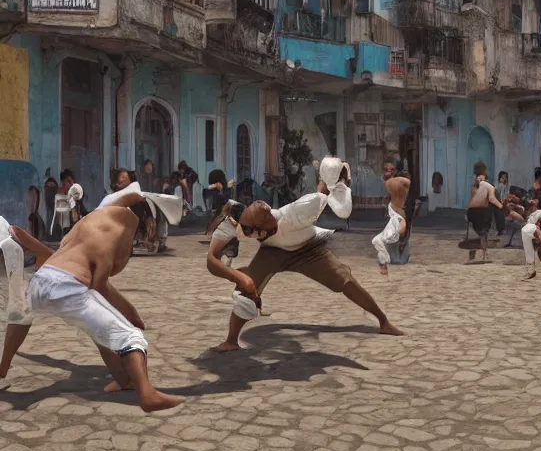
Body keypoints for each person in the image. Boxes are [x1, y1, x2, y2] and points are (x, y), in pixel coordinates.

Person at [205, 157, 403, 352]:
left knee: (345, 280)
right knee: (246, 290)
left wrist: (339, 174)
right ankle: (231, 340)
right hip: (273, 251)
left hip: (308, 248)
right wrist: (239, 277)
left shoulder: (295, 212)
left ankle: (383, 321)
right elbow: (211, 260)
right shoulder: (234, 223)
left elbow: (323, 194)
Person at [0, 204, 184, 412]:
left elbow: (42, 248)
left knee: (99, 330)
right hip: (67, 287)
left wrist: (126, 308)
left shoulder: (86, 224)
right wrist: (128, 312)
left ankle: (123, 381)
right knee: (131, 336)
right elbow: (99, 286)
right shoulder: (111, 235)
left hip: (40, 284)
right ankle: (147, 395)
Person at [372, 167, 410, 276]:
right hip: (397, 218)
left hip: (397, 218)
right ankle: (388, 260)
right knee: (387, 240)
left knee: (391, 240)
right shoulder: (400, 188)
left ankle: (387, 260)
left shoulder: (394, 186)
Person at [466, 174, 503, 262]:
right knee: (477, 235)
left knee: (483, 235)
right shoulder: (474, 189)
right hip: (476, 216)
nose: (479, 179)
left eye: (481, 178)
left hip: (485, 216)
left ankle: (484, 254)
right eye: (478, 177)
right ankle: (476, 251)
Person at [520, 209, 541, 280]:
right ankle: (531, 269)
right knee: (530, 251)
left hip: (528, 231)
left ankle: (531, 269)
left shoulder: (535, 221)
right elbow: (539, 230)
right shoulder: (535, 224)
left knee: (530, 252)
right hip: (529, 230)